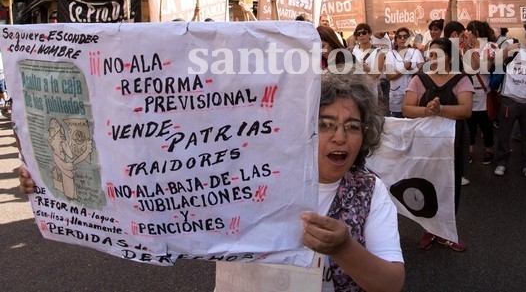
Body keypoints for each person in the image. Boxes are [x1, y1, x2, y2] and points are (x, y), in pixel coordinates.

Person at [21, 71, 406, 292]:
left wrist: (344, 248)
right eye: (325, 125)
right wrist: (51, 179)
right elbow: (148, 192)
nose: (340, 137)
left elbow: (390, 283)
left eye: (352, 127)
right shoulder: (246, 174)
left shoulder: (370, 195)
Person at [403, 37, 473, 252]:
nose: (431, 59)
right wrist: (427, 111)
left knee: (449, 185)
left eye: (437, 55)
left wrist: (440, 109)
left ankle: (446, 232)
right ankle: (429, 229)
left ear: (449, 58)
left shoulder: (461, 80)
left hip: (453, 143)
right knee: (426, 183)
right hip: (425, 143)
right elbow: (407, 108)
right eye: (430, 55)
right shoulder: (419, 79)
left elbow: (466, 110)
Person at [494, 18, 526, 179]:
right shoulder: (512, 44)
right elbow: (494, 62)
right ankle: (502, 162)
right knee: (504, 133)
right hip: (509, 98)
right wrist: (506, 51)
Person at [463, 21, 498, 165]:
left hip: (484, 92)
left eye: (468, 31)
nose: (466, 34)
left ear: (475, 32)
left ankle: (489, 150)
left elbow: (485, 68)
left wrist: (472, 53)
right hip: (470, 92)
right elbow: (467, 69)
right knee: (470, 125)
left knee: (486, 125)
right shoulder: (466, 48)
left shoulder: (490, 46)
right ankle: (470, 150)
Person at [385, 27, 424, 118]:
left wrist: (411, 69)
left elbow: (422, 74)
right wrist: (404, 69)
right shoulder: (391, 54)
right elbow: (389, 76)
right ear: (396, 40)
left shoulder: (416, 52)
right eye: (399, 37)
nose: (402, 39)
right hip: (397, 94)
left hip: (414, 94)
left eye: (405, 37)